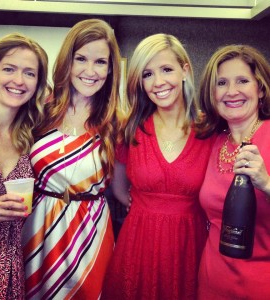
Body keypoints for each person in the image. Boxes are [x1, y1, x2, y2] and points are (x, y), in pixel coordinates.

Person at [101, 33, 215, 300]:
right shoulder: (131, 129)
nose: (158, 82)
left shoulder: (210, 129)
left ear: (185, 70)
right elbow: (118, 188)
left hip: (190, 246)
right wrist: (146, 209)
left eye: (166, 70)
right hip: (138, 243)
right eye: (148, 74)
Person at [22, 18, 122, 299]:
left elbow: (124, 191)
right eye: (81, 59)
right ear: (68, 61)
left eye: (101, 62)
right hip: (39, 226)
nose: (91, 71)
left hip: (89, 230)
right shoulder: (39, 111)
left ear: (111, 68)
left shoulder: (117, 123)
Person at [0, 33, 49, 299]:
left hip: (8, 271)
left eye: (29, 73)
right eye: (9, 69)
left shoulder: (29, 135)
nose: (18, 80)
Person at [196, 44, 270, 299]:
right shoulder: (213, 141)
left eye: (242, 81)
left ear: (260, 88)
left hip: (260, 286)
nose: (232, 91)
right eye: (222, 83)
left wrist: (267, 184)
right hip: (211, 281)